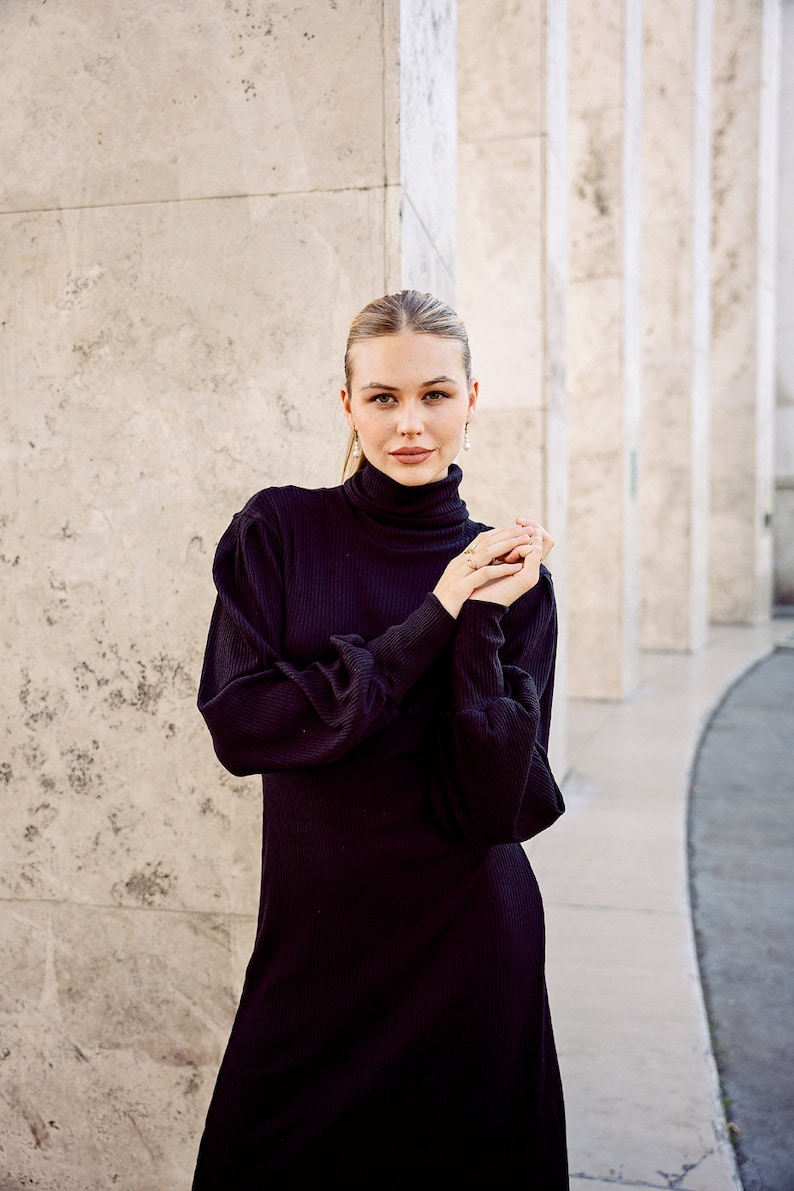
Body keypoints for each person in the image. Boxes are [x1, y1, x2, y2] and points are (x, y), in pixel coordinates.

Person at [192, 290, 568, 1189]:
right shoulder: (277, 531)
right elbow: (242, 723)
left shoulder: (513, 579)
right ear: (347, 403)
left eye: (435, 395)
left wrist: (479, 619)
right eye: (384, 397)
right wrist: (435, 614)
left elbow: (494, 805)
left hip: (470, 945)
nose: (410, 424)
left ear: (471, 398)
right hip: (317, 946)